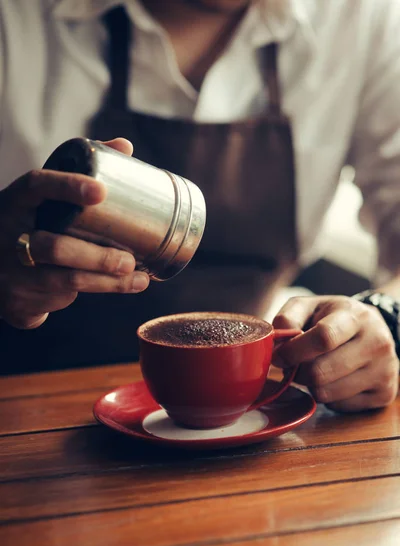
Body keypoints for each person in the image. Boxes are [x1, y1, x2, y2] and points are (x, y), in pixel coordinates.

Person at [0, 0, 399, 413]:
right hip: (25, 407)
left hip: (240, 409)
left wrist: (384, 319)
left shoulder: (361, 17)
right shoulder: (16, 19)